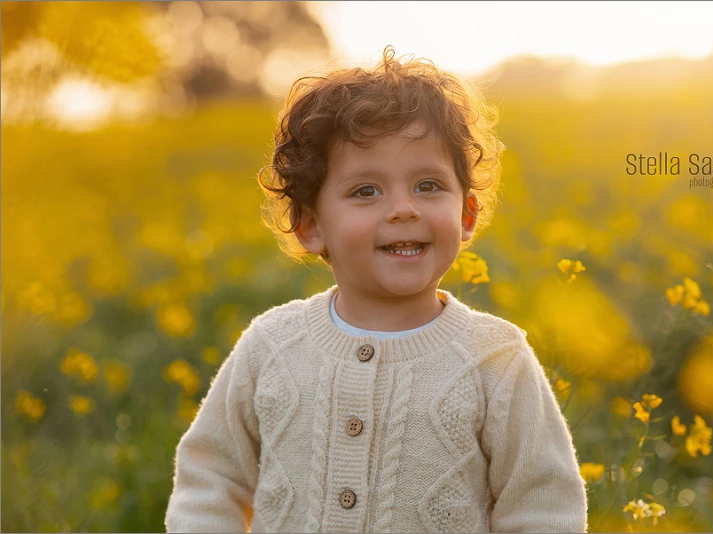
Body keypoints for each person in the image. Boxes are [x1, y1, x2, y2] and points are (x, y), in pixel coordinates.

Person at [165, 45, 588, 533]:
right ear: (309, 225)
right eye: (366, 191)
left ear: (466, 214)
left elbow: (544, 508)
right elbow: (210, 479)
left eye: (428, 185)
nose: (402, 209)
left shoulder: (496, 358)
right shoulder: (271, 347)